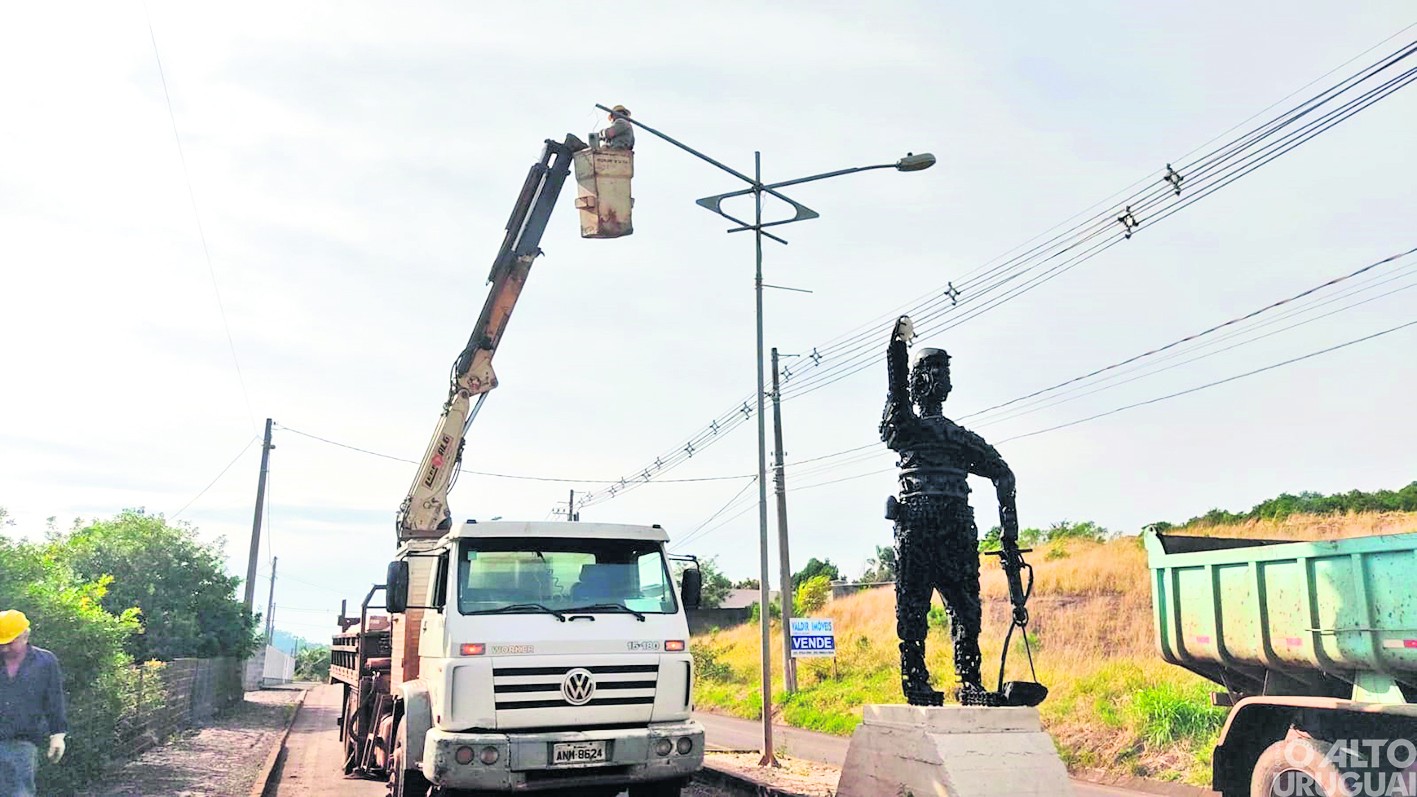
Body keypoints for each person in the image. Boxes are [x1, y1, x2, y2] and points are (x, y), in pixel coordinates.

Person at [880, 316, 1019, 707]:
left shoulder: (959, 438)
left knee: (965, 608)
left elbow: (1003, 475)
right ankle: (916, 681)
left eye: (945, 372)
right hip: (918, 524)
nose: (942, 379)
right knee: (913, 606)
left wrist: (1009, 537)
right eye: (934, 372)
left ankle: (969, 681)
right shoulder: (909, 428)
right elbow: (896, 411)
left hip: (955, 526)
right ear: (920, 382)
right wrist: (897, 352)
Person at [0, 611, 67, 797]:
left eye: (9, 643)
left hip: (22, 743)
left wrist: (57, 735)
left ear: (25, 635)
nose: (4, 648)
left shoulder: (45, 662)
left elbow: (54, 699)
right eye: (0, 644)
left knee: (19, 793)